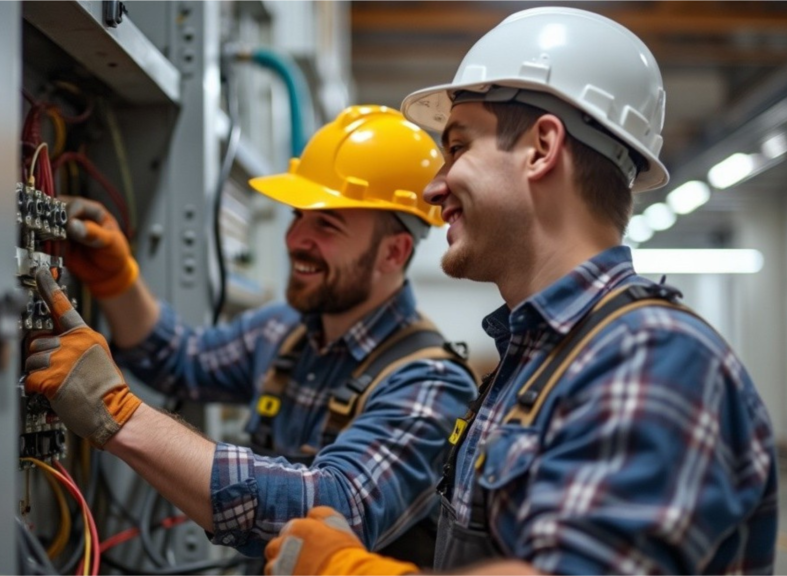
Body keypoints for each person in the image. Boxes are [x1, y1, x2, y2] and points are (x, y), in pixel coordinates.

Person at [262, 7, 778, 576]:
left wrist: (346, 571)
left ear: (541, 148)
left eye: (457, 148)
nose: (434, 187)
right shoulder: (536, 361)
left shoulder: (651, 356)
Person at [24, 105, 479, 564]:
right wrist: (117, 282)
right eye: (299, 216)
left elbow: (334, 509)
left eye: (326, 224)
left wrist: (120, 415)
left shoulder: (430, 384)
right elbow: (183, 361)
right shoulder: (285, 330)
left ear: (393, 252)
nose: (295, 238)